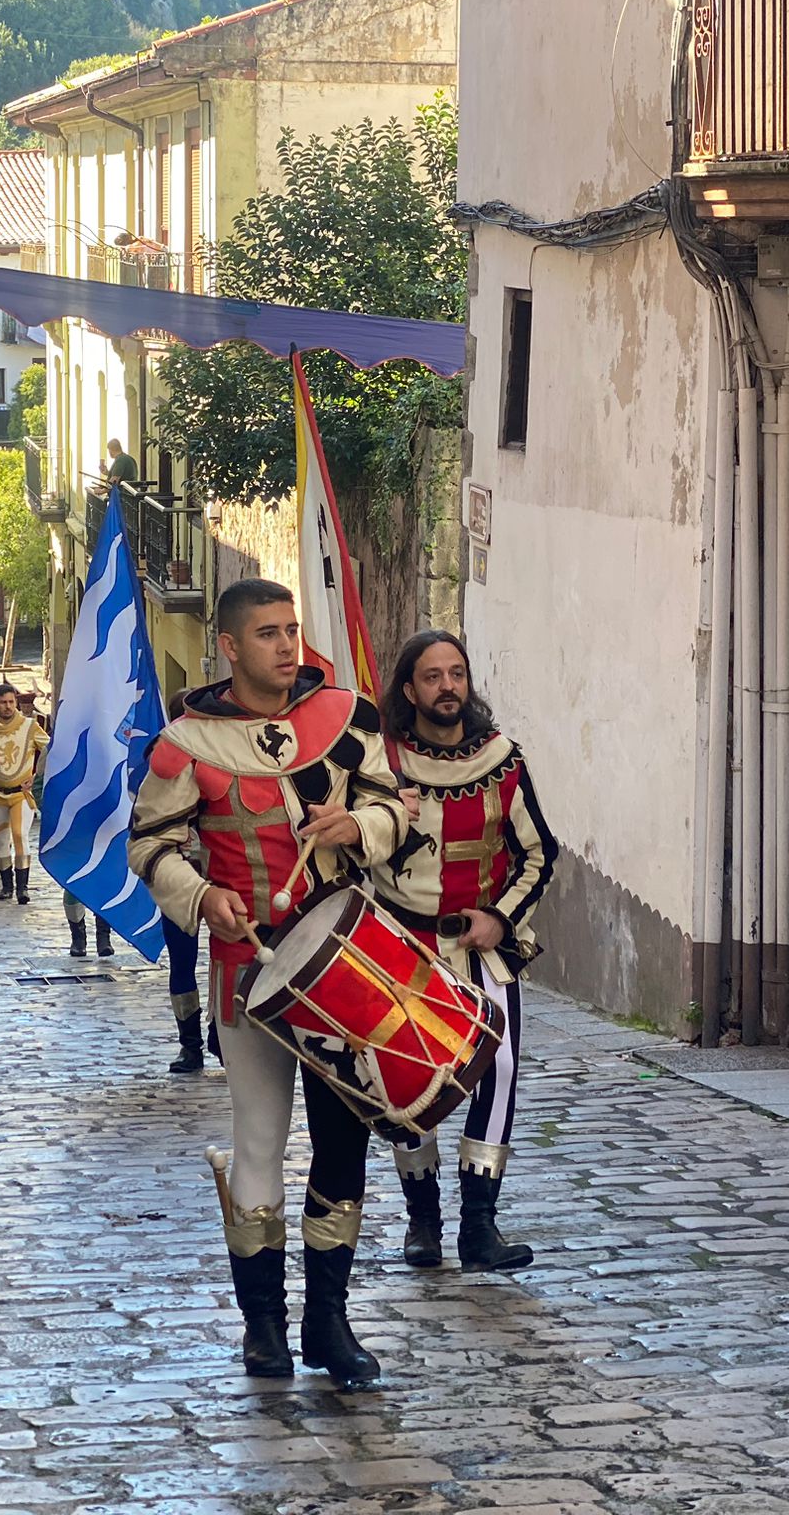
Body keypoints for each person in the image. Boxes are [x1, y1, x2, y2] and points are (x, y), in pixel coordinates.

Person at [128, 578, 406, 1391]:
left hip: (345, 967)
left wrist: (361, 823)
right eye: (268, 634)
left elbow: (399, 808)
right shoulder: (185, 743)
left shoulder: (346, 720)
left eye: (292, 630)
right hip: (247, 972)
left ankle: (329, 1322)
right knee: (258, 1141)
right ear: (230, 646)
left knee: (344, 1141)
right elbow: (151, 846)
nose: (287, 646)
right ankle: (264, 1330)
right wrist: (199, 894)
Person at [374, 630, 558, 1273]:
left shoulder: (504, 760)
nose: (447, 686)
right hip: (400, 945)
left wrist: (500, 919)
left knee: (498, 1067)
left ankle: (480, 1225)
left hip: (478, 944)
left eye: (456, 673)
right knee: (409, 1078)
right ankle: (422, 1221)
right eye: (432, 676)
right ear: (409, 689)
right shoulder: (382, 762)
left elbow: (540, 854)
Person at [160, 689, 206, 1076]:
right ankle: (190, 1044)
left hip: (224, 870)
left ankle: (225, 1035)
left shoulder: (223, 755)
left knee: (235, 958)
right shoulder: (162, 763)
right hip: (180, 872)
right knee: (183, 962)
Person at [0, 683, 48, 900]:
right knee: (1, 839)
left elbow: (51, 750)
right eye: (3, 702)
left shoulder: (30, 726)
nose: (8, 706)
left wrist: (37, 777)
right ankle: (7, 886)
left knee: (20, 835)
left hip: (21, 793)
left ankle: (23, 888)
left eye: (11, 702)